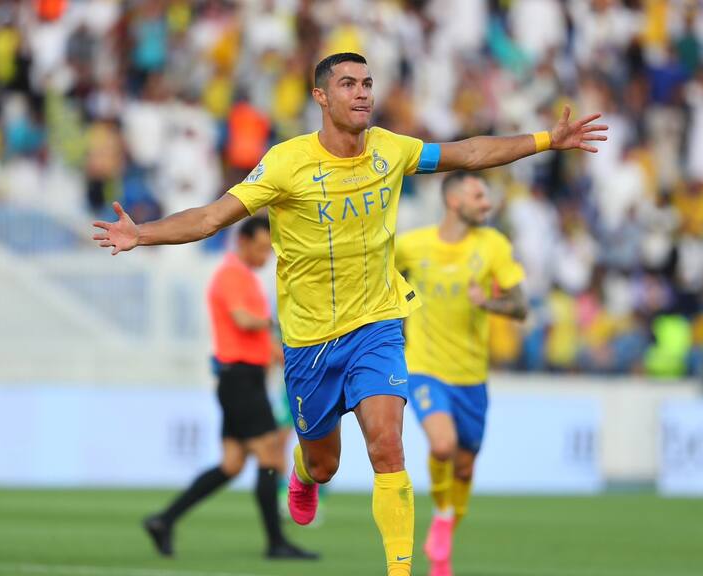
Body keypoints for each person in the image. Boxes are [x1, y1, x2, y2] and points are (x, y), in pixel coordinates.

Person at [93, 52, 607, 576]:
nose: (362, 92)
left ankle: (401, 570)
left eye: (367, 83)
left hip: (376, 326)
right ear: (321, 97)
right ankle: (302, 471)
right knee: (325, 463)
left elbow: (470, 152)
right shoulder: (286, 163)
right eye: (347, 84)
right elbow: (210, 217)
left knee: (388, 447)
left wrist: (546, 139)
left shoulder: (391, 149)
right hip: (309, 342)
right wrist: (143, 233)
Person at [142, 216, 318, 561]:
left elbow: (257, 337)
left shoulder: (246, 278)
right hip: (240, 380)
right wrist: (278, 322)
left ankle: (164, 520)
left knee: (233, 463)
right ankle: (276, 543)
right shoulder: (232, 275)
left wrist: (289, 361)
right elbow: (243, 320)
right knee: (270, 456)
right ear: (243, 242)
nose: (266, 255)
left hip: (243, 379)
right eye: (262, 248)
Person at [396, 173, 527, 576]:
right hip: (424, 368)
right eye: (478, 196)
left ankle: (446, 530)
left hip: (471, 375)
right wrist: (403, 305)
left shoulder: (493, 246)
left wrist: (489, 302)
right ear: (453, 201)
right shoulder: (411, 246)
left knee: (465, 467)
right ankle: (441, 515)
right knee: (442, 446)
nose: (486, 204)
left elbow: (520, 306)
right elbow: (383, 279)